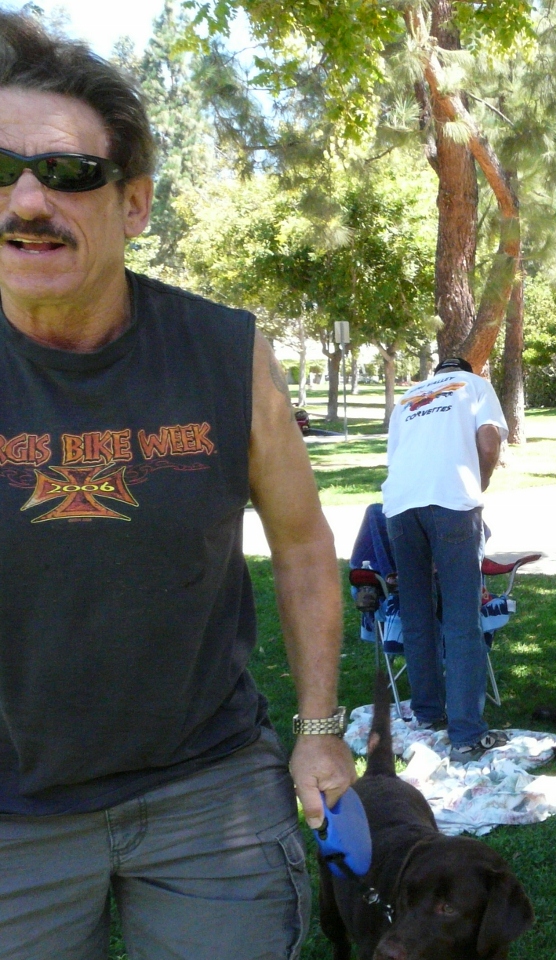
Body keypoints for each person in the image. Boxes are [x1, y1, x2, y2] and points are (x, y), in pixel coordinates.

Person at [0, 13, 355, 960]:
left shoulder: (228, 354)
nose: (27, 199)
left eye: (68, 173)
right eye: (2, 171)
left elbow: (304, 542)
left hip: (209, 795)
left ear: (135, 203)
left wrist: (320, 727)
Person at [382, 356, 508, 763]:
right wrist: (480, 482)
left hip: (400, 506)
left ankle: (428, 715)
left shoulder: (408, 397)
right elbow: (489, 441)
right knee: (461, 620)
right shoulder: (474, 385)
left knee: (416, 615)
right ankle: (467, 735)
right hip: (451, 501)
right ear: (470, 370)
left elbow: (396, 458)